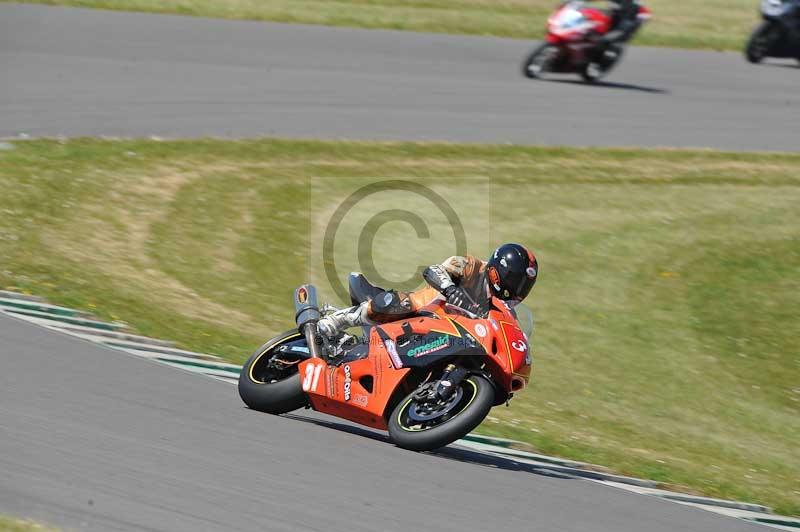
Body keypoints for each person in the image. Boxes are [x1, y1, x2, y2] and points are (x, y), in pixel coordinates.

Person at [317, 243, 539, 339]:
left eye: (523, 286)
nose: (517, 290)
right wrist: (451, 290)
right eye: (515, 282)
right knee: (402, 304)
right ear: (498, 271)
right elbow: (435, 270)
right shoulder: (473, 267)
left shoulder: (504, 312)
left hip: (453, 338)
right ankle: (339, 320)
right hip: (426, 313)